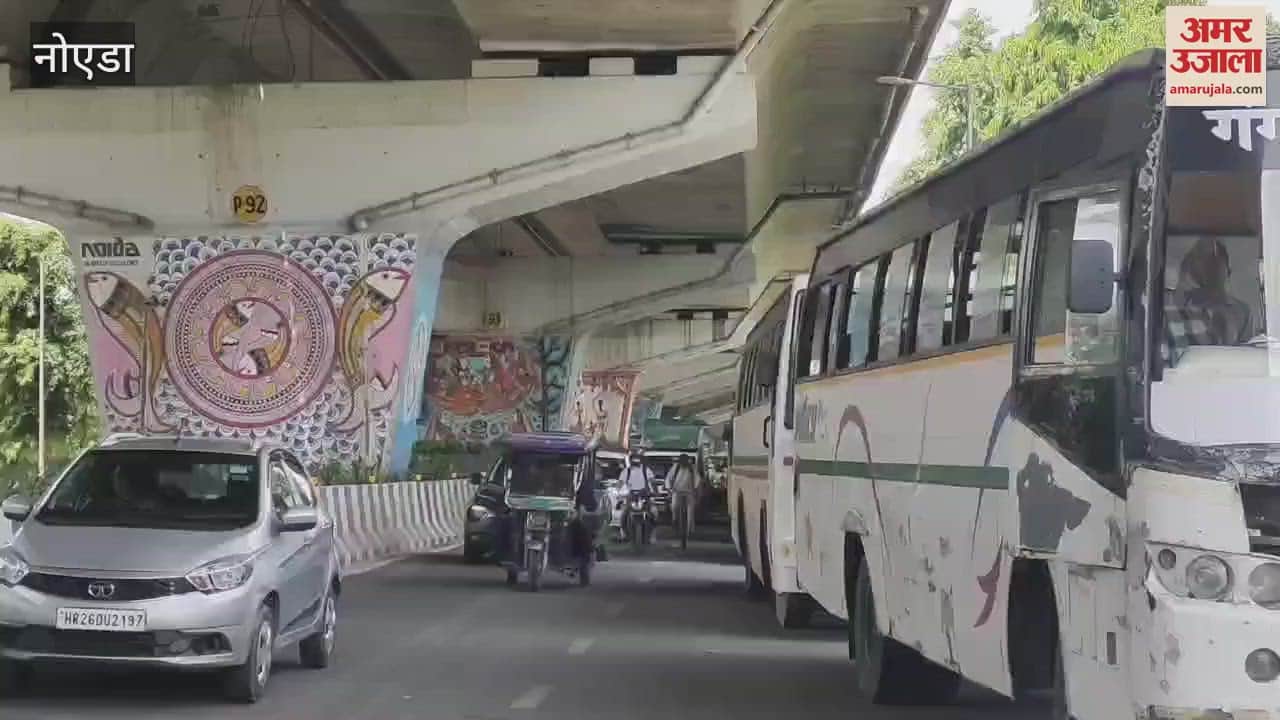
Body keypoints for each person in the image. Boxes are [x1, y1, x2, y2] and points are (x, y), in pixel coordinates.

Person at [670, 454, 697, 541]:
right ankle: (674, 520)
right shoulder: (675, 468)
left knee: (690, 511)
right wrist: (669, 488)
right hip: (677, 492)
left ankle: (689, 531)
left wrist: (696, 492)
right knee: (674, 507)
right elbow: (669, 478)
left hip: (689, 493)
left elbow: (697, 481)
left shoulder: (692, 469)